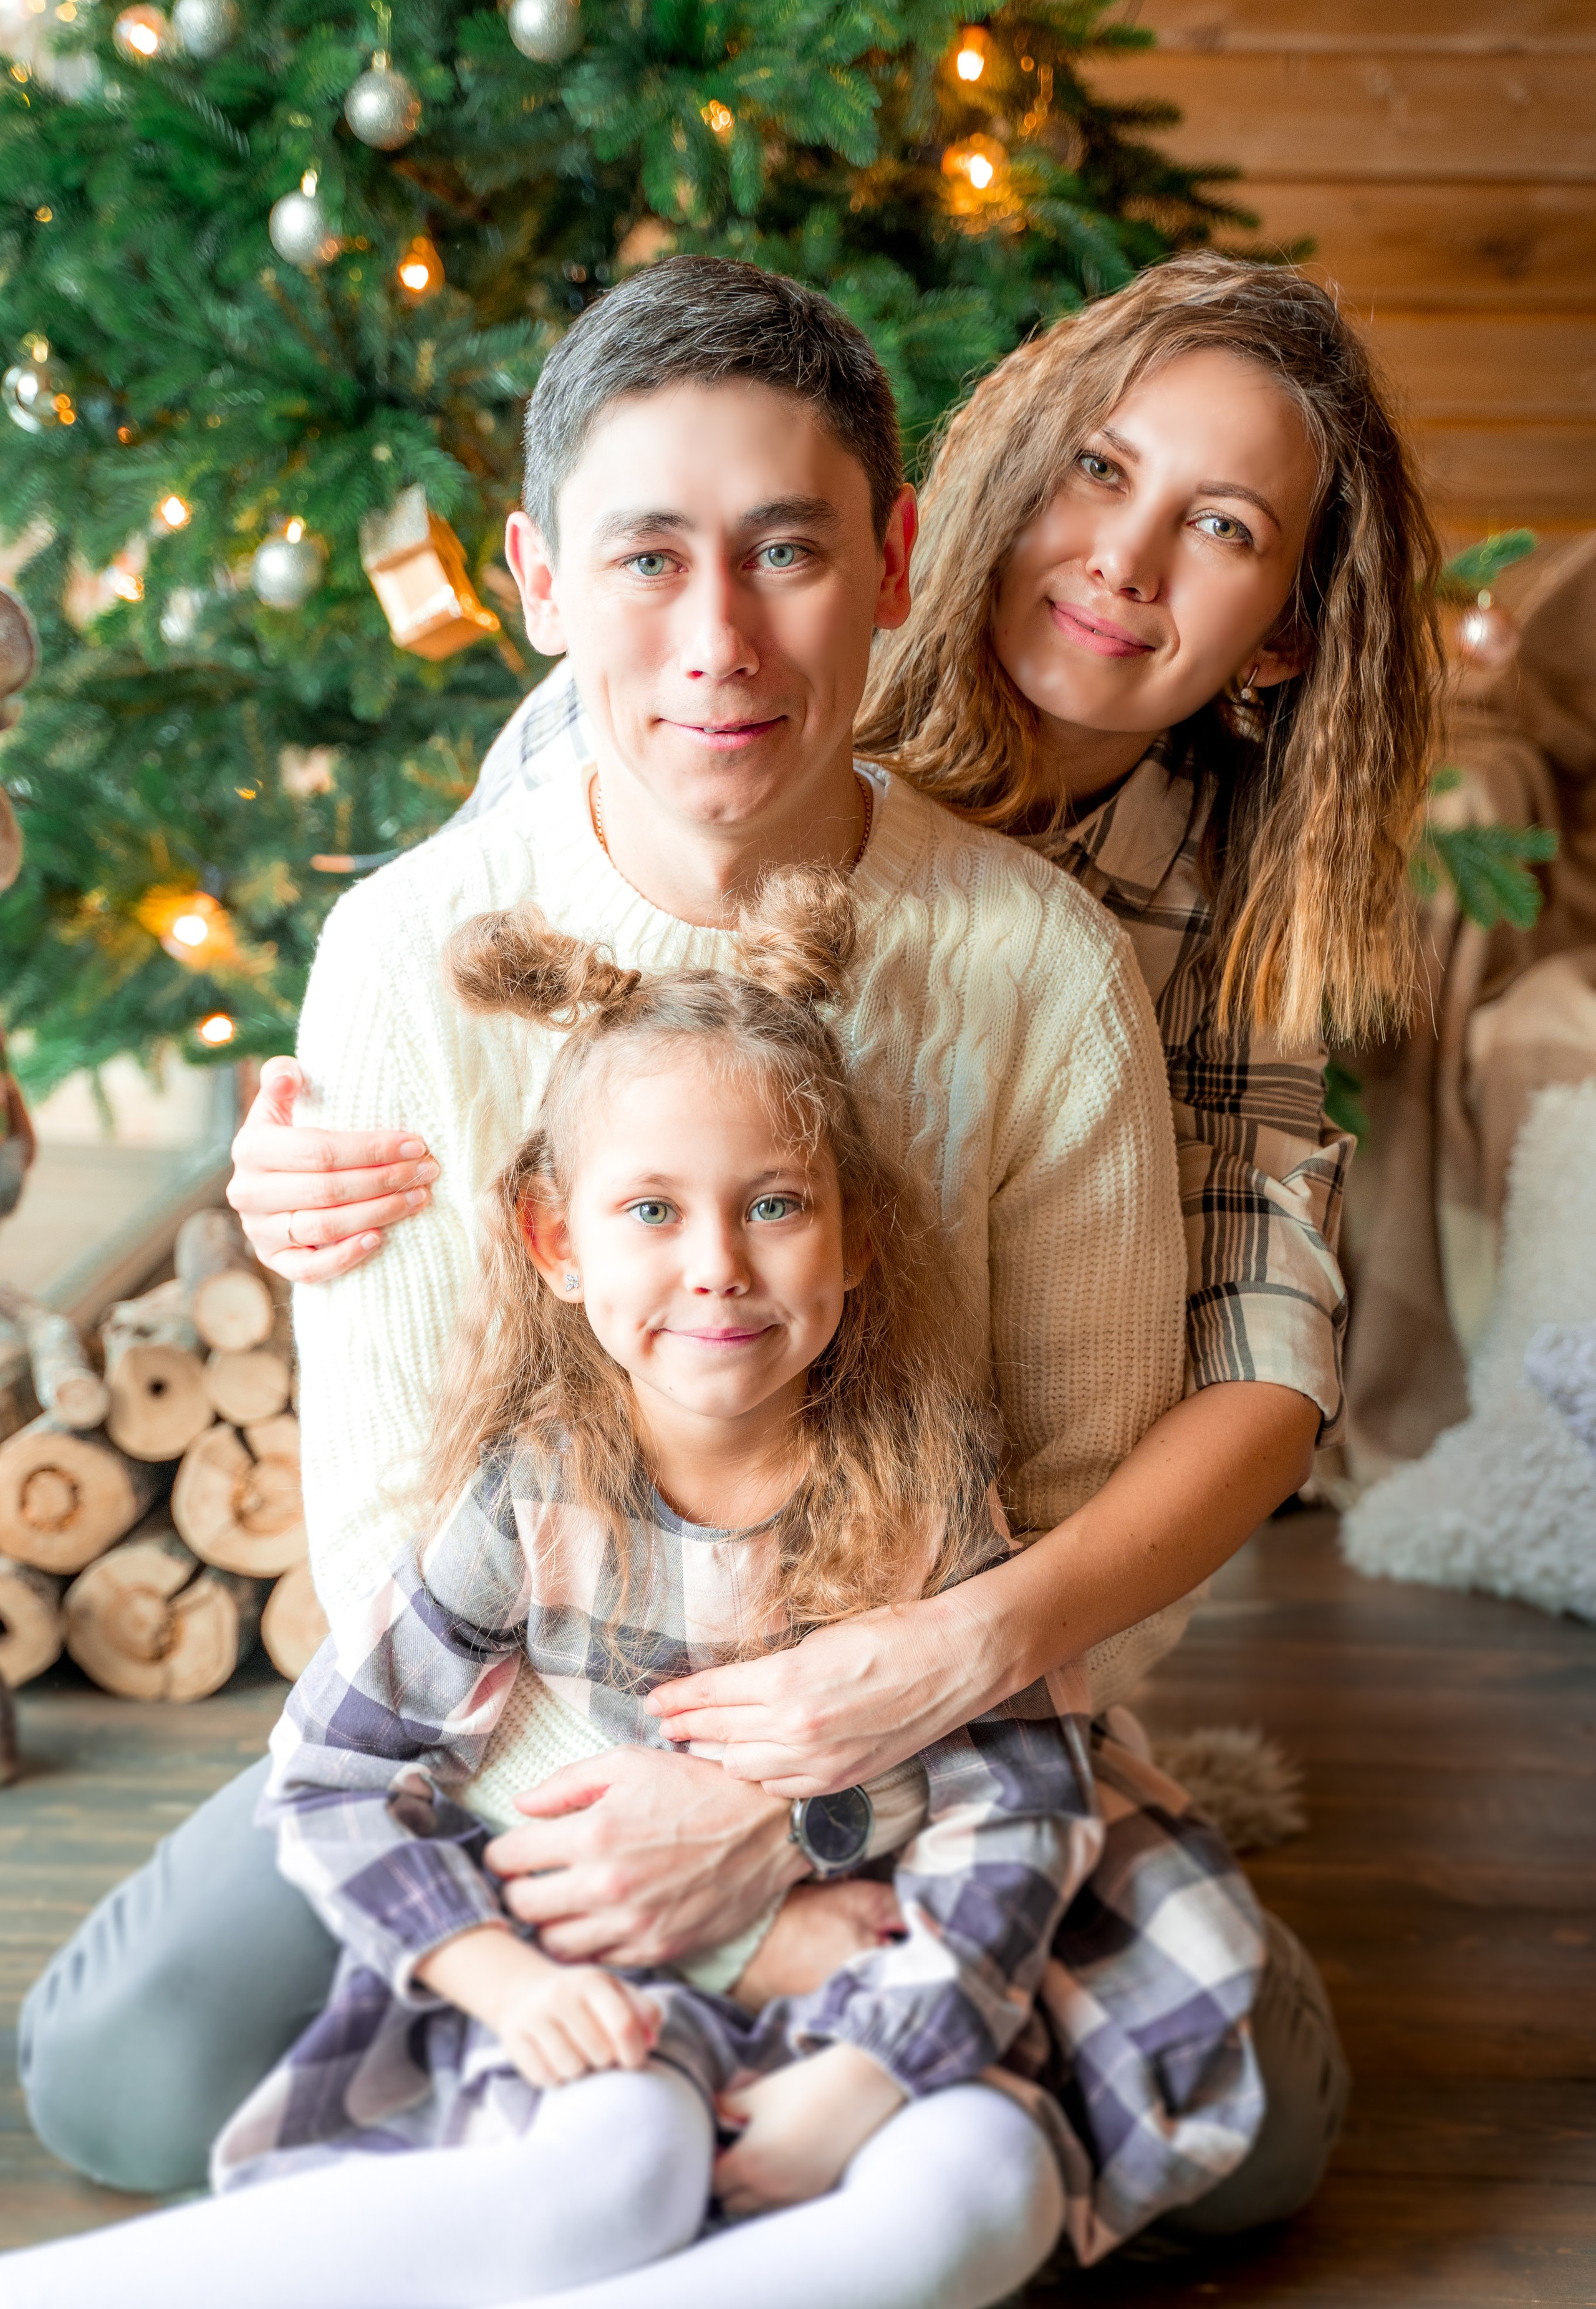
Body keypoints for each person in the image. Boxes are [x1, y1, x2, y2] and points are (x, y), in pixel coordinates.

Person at [21, 256, 1347, 2228]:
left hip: (908, 1710)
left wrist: (795, 1825)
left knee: (1271, 2147)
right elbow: (391, 1533)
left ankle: (696, 2162)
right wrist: (611, 1866)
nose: (720, 638)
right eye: (646, 560)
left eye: (788, 555)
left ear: (895, 562)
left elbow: (1087, 1499)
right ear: (539, 590)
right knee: (116, 2087)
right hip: (520, 1719)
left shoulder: (1046, 961)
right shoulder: (415, 951)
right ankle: (695, 2142)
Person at [2, 872, 1267, 2309]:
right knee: (616, 2165)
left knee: (989, 2184)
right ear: (557, 1243)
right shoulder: (533, 1500)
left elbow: (1023, 1805)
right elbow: (334, 1776)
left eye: (775, 1204)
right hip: (613, 1990)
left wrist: (870, 2072)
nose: (716, 1267)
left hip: (891, 1985)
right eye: (651, 1209)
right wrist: (510, 1985)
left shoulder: (926, 1493)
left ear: (854, 1237)